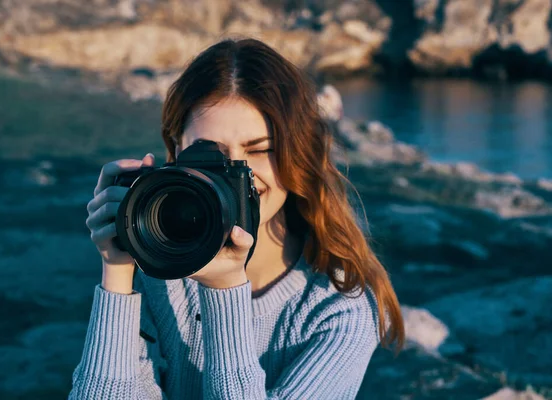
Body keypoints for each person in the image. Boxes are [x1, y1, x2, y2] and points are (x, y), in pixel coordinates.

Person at [69, 37, 405, 399]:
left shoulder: (339, 305)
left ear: (298, 153)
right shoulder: (156, 266)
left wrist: (225, 289)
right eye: (208, 152)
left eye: (259, 150)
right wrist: (118, 269)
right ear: (176, 152)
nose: (238, 173)